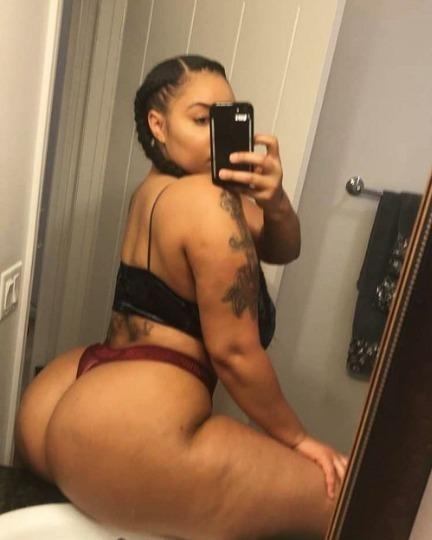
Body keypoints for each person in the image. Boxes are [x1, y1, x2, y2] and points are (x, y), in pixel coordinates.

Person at [15, 55, 348, 540]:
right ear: (158, 124)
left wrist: (274, 200)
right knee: (342, 500)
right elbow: (234, 354)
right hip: (124, 429)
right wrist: (298, 439)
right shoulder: (208, 204)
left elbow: (282, 248)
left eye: (224, 118)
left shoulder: (158, 190)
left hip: (62, 397)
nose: (217, 136)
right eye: (200, 119)